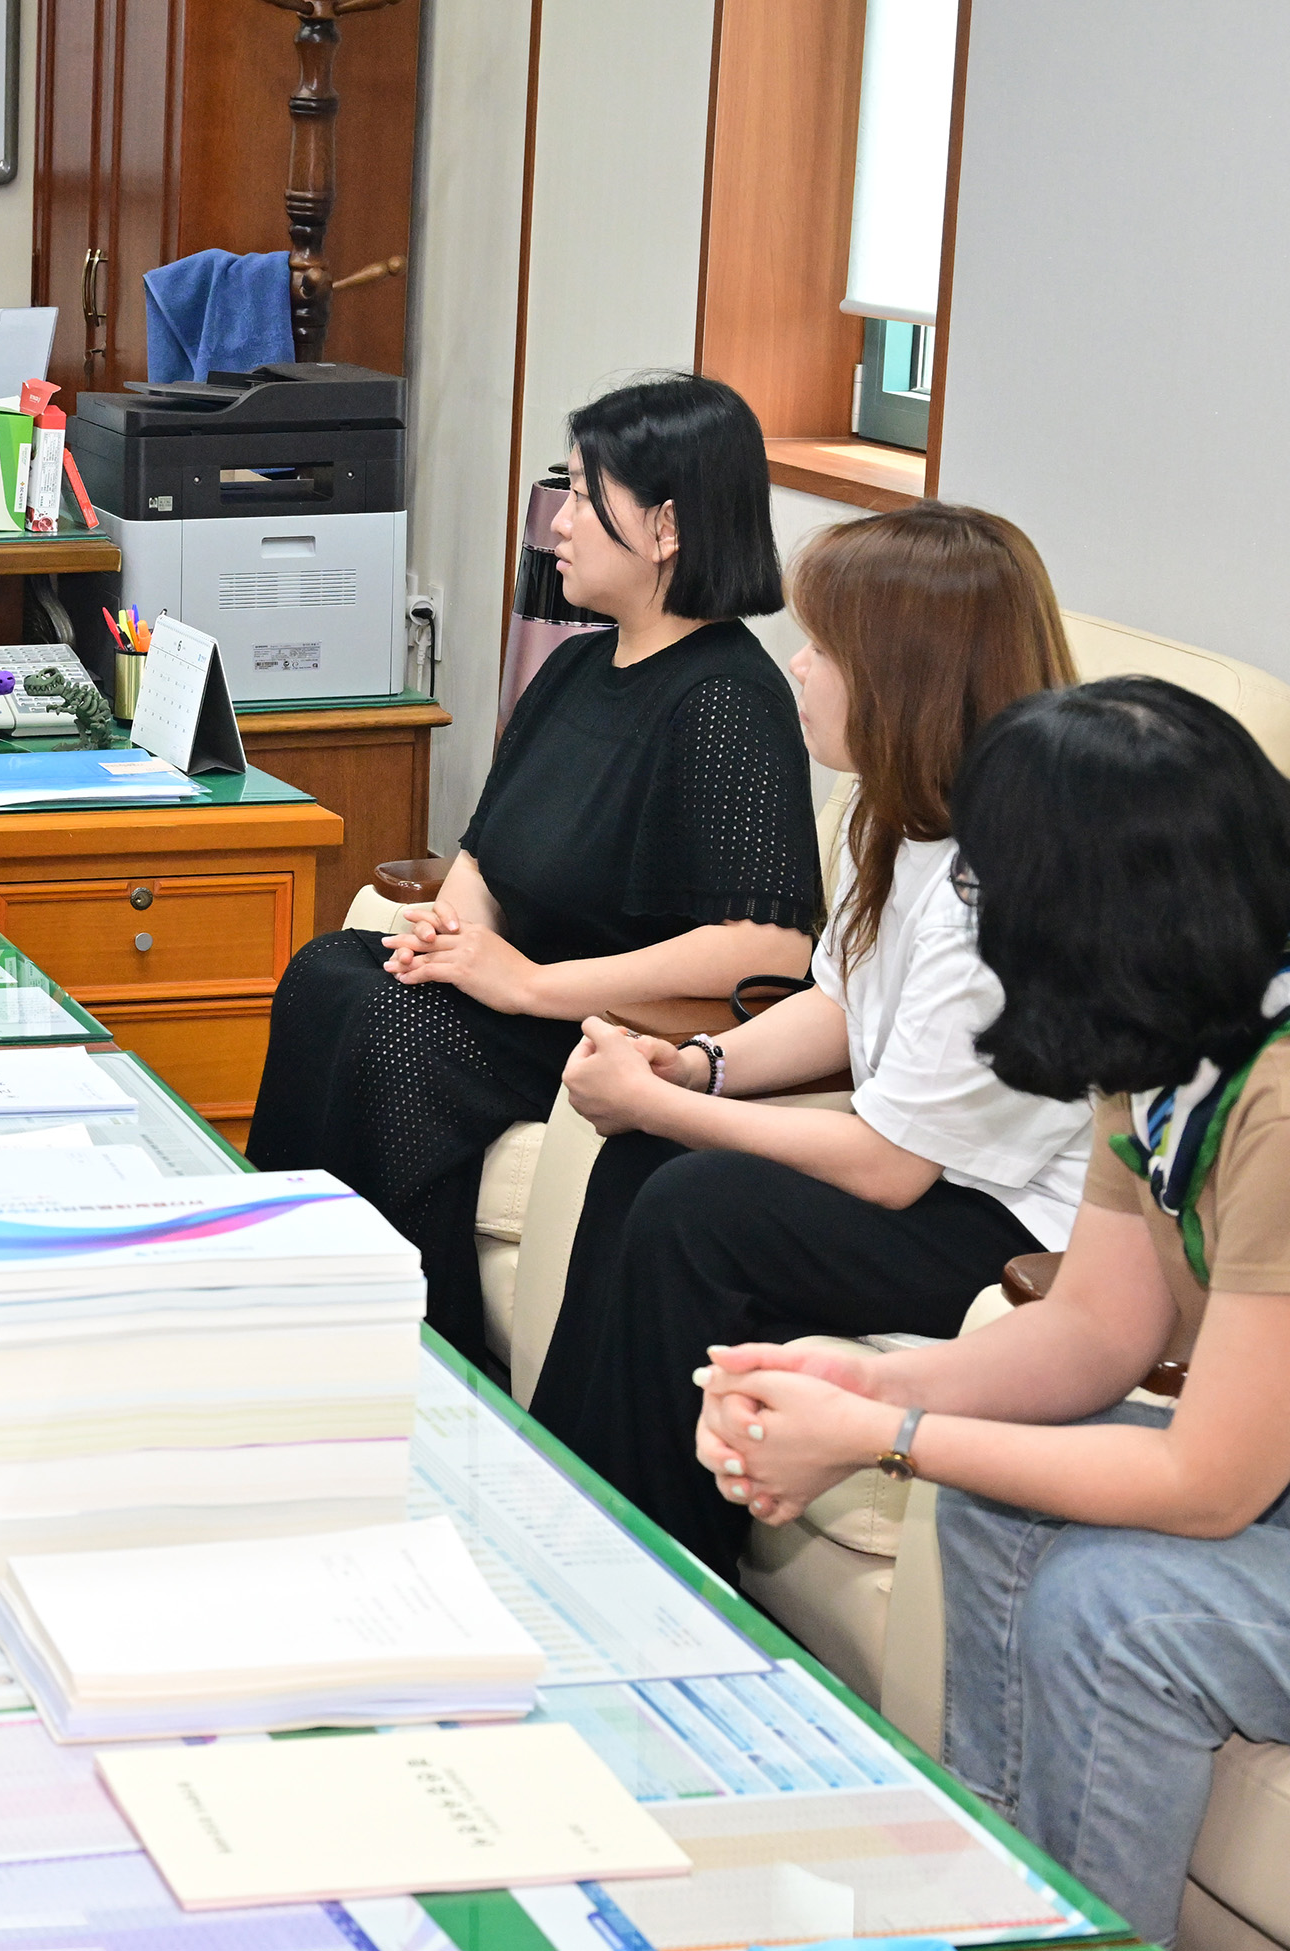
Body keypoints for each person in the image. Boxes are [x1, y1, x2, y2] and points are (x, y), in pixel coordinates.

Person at [697, 678, 1290, 1947]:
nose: (976, 911)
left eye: (988, 883)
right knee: (996, 1499)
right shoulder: (1168, 1037)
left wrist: (880, 1442)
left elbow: (1209, 1484)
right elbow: (1097, 1334)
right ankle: (1003, 1903)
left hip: (1256, 1477)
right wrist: (871, 1386)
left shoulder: (1280, 1104)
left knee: (1115, 1609)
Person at [527, 504, 1090, 1569]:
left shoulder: (1004, 884)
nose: (796, 663)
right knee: (645, 1154)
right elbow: (839, 1001)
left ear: (905, 676)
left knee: (700, 1203)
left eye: (825, 647)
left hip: (1016, 1232)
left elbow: (888, 1168)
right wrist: (700, 1068)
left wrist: (670, 1102)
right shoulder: (896, 807)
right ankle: (566, 1505)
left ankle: (653, 1568)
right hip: (929, 1171)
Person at [246, 373, 819, 1367]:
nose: (559, 524)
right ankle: (282, 1300)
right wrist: (444, 933)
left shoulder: (730, 699)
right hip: (513, 995)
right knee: (332, 971)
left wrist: (532, 983)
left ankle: (416, 1353)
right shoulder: (572, 669)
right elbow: (485, 855)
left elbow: (766, 949)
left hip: (607, 1017)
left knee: (392, 1029)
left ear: (667, 527)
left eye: (587, 496)